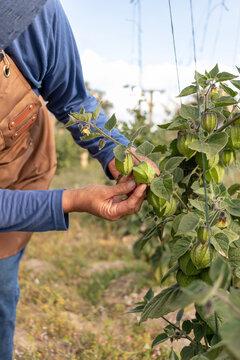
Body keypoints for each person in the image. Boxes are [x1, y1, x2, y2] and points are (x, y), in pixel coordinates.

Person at [0, 0, 157, 358]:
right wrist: (70, 200)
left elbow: (72, 103)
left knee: (0, 286)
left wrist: (117, 152)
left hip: (20, 170)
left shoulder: (36, 16)